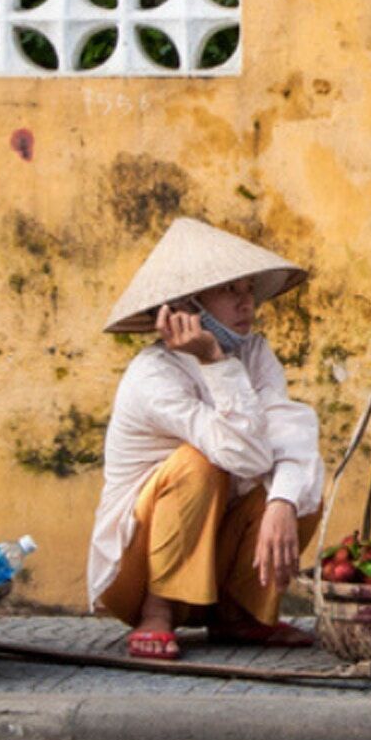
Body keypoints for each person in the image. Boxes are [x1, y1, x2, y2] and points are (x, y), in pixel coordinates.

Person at [87, 217, 324, 659]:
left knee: (300, 489)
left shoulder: (254, 354)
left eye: (248, 289)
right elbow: (245, 456)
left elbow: (291, 438)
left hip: (211, 560)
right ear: (186, 306)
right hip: (137, 570)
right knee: (200, 463)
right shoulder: (153, 375)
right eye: (230, 290)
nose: (245, 302)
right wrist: (214, 361)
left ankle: (240, 615)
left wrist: (282, 503)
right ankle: (157, 612)